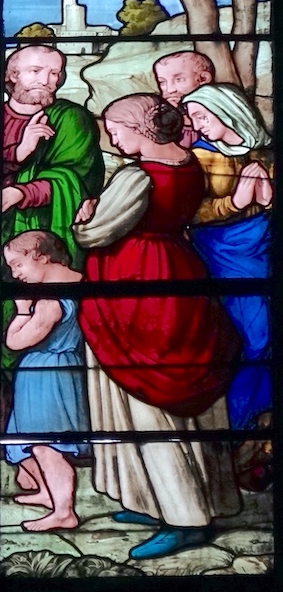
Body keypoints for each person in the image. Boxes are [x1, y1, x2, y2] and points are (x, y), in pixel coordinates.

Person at [74, 93, 242, 560]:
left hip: (139, 285)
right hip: (178, 272)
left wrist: (85, 217)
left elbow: (95, 233)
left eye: (116, 128)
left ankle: (184, 516)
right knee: (181, 399)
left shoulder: (136, 175)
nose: (112, 137)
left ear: (141, 130)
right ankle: (169, 498)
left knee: (148, 400)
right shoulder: (187, 163)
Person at [0, 44, 104, 270]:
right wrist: (18, 153)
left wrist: (20, 193)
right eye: (35, 71)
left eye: (55, 73)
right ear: (12, 75)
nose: (46, 80)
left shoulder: (71, 118)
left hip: (46, 236)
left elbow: (77, 178)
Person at [183, 83, 272, 484]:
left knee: (264, 339)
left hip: (261, 246)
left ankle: (255, 429)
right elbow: (189, 211)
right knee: (246, 338)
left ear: (229, 112)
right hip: (219, 253)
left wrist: (266, 195)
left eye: (202, 116)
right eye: (194, 118)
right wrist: (233, 203)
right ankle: (232, 428)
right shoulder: (198, 157)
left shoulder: (264, 153)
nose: (196, 124)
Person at [3, 230, 88, 532]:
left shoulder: (50, 299)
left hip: (48, 375)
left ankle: (64, 511)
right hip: (57, 370)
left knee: (46, 446)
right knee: (25, 440)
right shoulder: (81, 283)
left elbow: (16, 341)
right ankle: (46, 493)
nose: (15, 273)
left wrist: (23, 310)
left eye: (17, 265)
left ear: (41, 255)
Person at [153, 50, 215, 147]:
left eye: (179, 79)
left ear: (203, 79)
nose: (170, 89)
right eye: (162, 82)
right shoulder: (160, 115)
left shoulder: (217, 110)